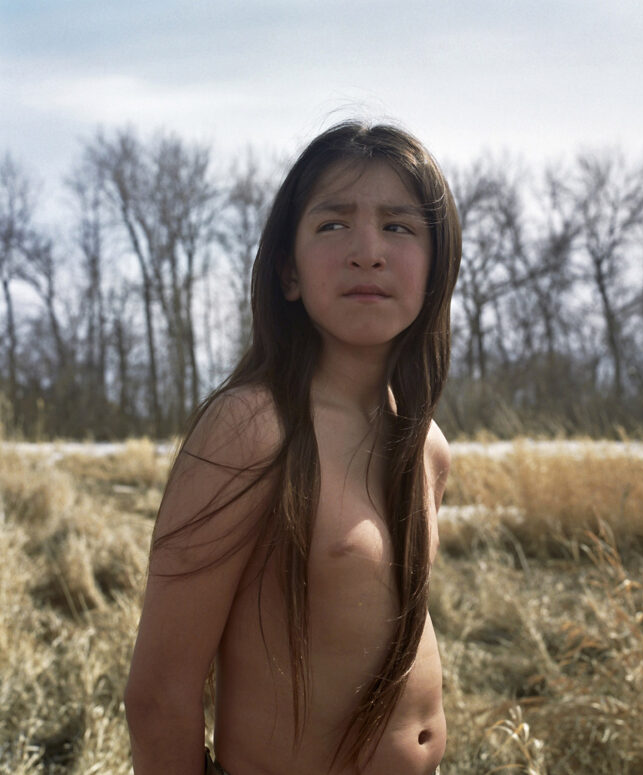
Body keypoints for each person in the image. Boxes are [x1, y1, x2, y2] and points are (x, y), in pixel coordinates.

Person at [124, 120, 462, 775]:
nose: (367, 251)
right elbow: (160, 695)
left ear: (436, 265)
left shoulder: (426, 445)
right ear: (288, 272)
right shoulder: (252, 428)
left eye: (399, 226)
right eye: (333, 224)